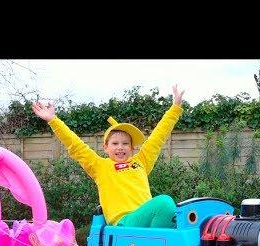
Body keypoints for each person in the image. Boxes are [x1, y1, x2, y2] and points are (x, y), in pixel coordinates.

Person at [32, 85, 185, 228]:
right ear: (105, 147)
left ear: (132, 147)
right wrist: (53, 120)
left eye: (125, 143)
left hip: (144, 221)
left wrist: (175, 109)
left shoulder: (141, 162)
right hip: (123, 224)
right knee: (164, 203)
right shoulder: (100, 166)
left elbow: (158, 138)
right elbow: (75, 145)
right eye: (115, 143)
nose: (120, 147)